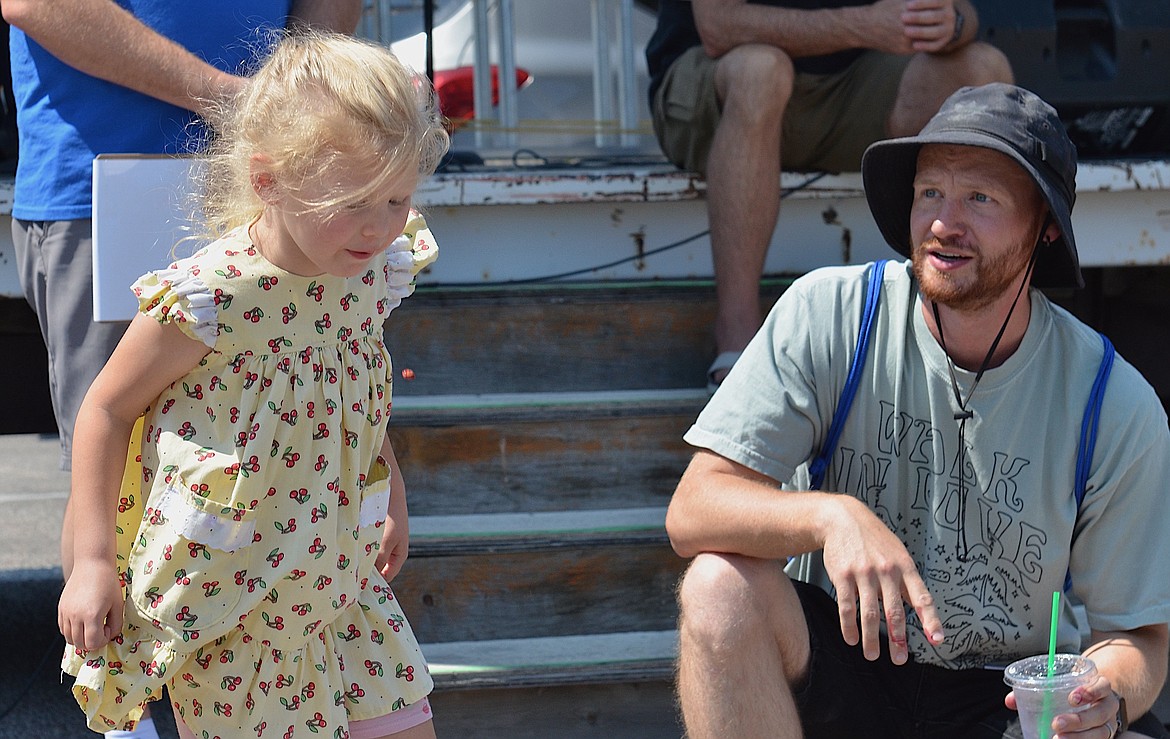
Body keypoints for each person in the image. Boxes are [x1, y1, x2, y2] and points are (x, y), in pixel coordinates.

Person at [667, 82, 1170, 738]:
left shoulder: (1114, 400)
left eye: (979, 199)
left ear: (1045, 227)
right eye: (930, 191)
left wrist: (1103, 692)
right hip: (848, 665)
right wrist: (830, 516)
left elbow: (1139, 637)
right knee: (715, 588)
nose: (942, 222)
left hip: (1009, 698)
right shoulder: (832, 314)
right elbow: (693, 510)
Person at [56, 31, 449, 739]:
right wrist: (90, 562)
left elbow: (355, 391)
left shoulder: (369, 271)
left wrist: (391, 491)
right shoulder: (211, 296)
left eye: (396, 199)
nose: (380, 225)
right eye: (356, 200)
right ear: (269, 180)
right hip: (236, 599)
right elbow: (108, 409)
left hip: (340, 585)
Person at [3, 0, 360, 472]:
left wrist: (293, 94)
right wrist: (236, 99)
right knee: (112, 469)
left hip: (277, 183)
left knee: (274, 463)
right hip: (106, 192)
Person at [644, 0, 1014, 390]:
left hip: (846, 89)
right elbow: (719, 28)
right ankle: (736, 338)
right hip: (722, 83)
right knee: (761, 72)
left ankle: (960, 333)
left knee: (981, 68)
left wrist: (950, 24)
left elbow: (962, 14)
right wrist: (864, 26)